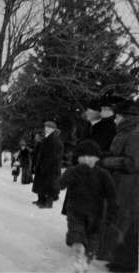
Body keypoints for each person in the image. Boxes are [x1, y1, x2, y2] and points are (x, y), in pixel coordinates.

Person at [59, 140, 118, 273]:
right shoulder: (102, 174)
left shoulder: (76, 171)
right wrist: (112, 211)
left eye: (89, 157)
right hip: (88, 211)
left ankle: (82, 254)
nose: (86, 159)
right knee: (88, 235)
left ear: (96, 158)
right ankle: (84, 256)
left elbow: (111, 195)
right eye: (83, 156)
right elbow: (112, 195)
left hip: (82, 211)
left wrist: (112, 211)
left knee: (82, 233)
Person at [100, 100, 139, 272]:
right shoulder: (126, 132)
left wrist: (106, 161)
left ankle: (127, 264)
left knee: (127, 223)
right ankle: (118, 259)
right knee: (119, 221)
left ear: (126, 117)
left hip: (130, 187)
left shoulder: (135, 134)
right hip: (121, 184)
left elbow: (132, 163)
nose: (115, 120)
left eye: (118, 116)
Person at [32, 120, 64, 208]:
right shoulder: (46, 138)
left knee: (49, 186)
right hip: (44, 165)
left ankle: (48, 203)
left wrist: (46, 165)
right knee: (41, 184)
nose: (46, 129)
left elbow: (53, 155)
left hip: (51, 167)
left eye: (49, 127)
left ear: (53, 129)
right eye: (45, 127)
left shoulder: (55, 140)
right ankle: (41, 200)